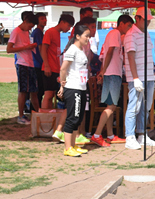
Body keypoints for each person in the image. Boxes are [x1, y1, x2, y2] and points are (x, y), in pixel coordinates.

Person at [91, 15, 133, 147]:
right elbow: (109, 52)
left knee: (110, 105)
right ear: (121, 23)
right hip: (112, 73)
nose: (129, 29)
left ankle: (110, 135)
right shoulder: (115, 33)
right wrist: (103, 71)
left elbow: (106, 54)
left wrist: (103, 71)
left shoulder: (112, 34)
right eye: (128, 26)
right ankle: (97, 135)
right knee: (112, 106)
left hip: (111, 73)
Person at [123, 8, 155, 150]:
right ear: (137, 18)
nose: (148, 22)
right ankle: (130, 136)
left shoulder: (146, 34)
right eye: (146, 20)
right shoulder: (131, 34)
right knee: (134, 106)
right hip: (138, 77)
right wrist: (135, 78)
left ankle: (142, 134)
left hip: (148, 75)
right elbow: (130, 57)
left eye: (149, 20)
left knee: (145, 107)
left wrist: (153, 74)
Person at [58, 24, 91, 158]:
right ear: (77, 36)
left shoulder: (81, 50)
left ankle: (73, 144)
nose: (88, 39)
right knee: (72, 117)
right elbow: (63, 68)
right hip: (73, 88)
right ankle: (68, 148)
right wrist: (62, 84)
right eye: (86, 36)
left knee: (78, 118)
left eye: (89, 36)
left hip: (81, 87)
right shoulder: (72, 50)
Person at [7, 12, 39, 124]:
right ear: (25, 21)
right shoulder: (16, 32)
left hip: (30, 63)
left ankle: (38, 113)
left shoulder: (26, 32)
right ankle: (20, 115)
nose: (30, 29)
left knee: (34, 90)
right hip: (22, 64)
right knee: (23, 91)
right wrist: (26, 47)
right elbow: (9, 49)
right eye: (30, 26)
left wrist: (31, 46)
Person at [41, 14, 75, 111]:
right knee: (48, 94)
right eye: (68, 25)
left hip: (55, 68)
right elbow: (43, 49)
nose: (69, 28)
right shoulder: (50, 32)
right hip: (49, 68)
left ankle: (49, 115)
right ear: (62, 22)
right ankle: (44, 116)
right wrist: (46, 66)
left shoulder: (57, 33)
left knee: (52, 94)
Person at [31, 12, 47, 101]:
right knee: (40, 89)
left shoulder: (37, 32)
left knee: (39, 89)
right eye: (42, 19)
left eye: (45, 18)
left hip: (37, 63)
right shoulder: (37, 32)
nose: (45, 20)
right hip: (38, 64)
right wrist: (45, 62)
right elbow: (41, 48)